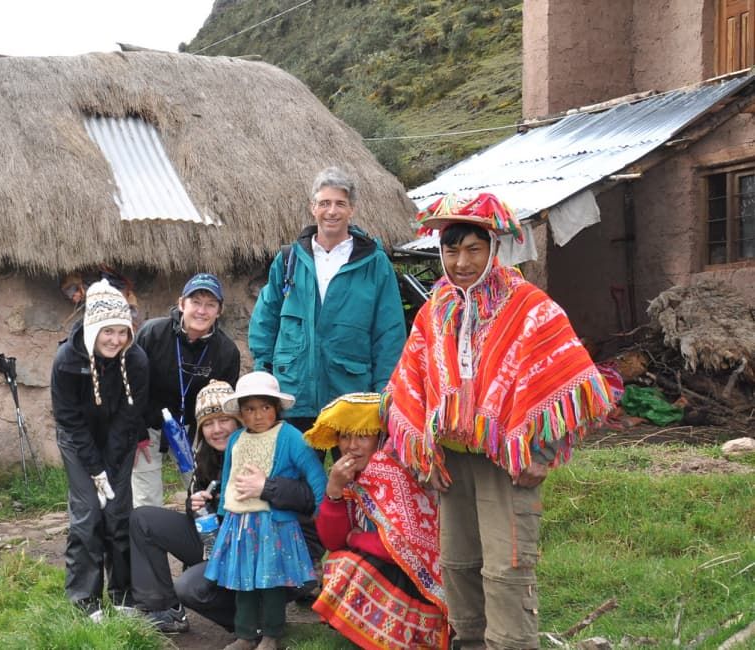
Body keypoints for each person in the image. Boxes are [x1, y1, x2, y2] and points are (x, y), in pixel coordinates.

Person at [384, 193, 614, 650]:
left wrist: (542, 452)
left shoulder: (529, 307)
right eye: (452, 251)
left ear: (493, 249)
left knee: (506, 570)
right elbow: (410, 382)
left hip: (508, 467)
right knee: (459, 567)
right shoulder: (434, 313)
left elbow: (571, 378)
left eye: (473, 249)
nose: (462, 261)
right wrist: (424, 452)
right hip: (453, 465)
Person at [127, 380, 318, 634]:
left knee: (190, 586)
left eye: (224, 420)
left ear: (239, 419)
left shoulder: (279, 443)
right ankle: (164, 610)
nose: (216, 430)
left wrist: (266, 487)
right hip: (227, 541)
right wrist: (195, 506)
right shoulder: (205, 454)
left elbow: (310, 498)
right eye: (207, 423)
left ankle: (255, 623)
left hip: (281, 550)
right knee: (144, 519)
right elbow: (203, 510)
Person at [248, 166, 406, 436]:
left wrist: (383, 390)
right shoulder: (289, 259)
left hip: (351, 393)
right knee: (294, 478)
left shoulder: (375, 264)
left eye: (339, 204)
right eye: (324, 203)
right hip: (295, 394)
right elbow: (265, 319)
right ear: (313, 207)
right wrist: (265, 377)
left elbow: (389, 332)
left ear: (351, 209)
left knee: (354, 475)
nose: (331, 211)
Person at [306, 393, 447, 650]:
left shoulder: (395, 473)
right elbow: (331, 541)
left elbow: (399, 548)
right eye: (345, 436)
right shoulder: (351, 477)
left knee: (349, 564)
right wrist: (334, 490)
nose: (351, 446)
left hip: (419, 580)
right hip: (387, 567)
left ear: (381, 438)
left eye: (362, 436)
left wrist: (354, 538)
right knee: (338, 561)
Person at [205, 372, 327, 650]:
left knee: (272, 582)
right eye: (249, 409)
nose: (258, 415)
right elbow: (228, 478)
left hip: (275, 525)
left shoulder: (291, 437)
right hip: (239, 523)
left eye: (265, 407)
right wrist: (223, 515)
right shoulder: (236, 439)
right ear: (241, 413)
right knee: (242, 582)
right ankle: (245, 635)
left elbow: (314, 474)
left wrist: (322, 512)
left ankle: (271, 634)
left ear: (276, 408)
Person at [50, 279, 151, 615]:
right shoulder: (66, 360)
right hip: (79, 443)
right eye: (108, 332)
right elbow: (69, 419)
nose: (115, 340)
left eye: (122, 332)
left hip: (117, 443)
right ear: (94, 328)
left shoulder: (135, 361)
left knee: (118, 515)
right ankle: (84, 600)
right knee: (88, 516)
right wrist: (94, 468)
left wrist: (109, 465)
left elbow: (129, 417)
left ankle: (124, 595)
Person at [132, 272, 242, 508]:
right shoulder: (152, 334)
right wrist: (135, 431)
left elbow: (224, 406)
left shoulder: (226, 352)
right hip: (147, 425)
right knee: (146, 498)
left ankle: (209, 541)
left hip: (193, 429)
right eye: (196, 302)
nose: (202, 311)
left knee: (206, 490)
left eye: (210, 305)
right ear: (182, 303)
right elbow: (130, 385)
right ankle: (150, 541)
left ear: (219, 311)